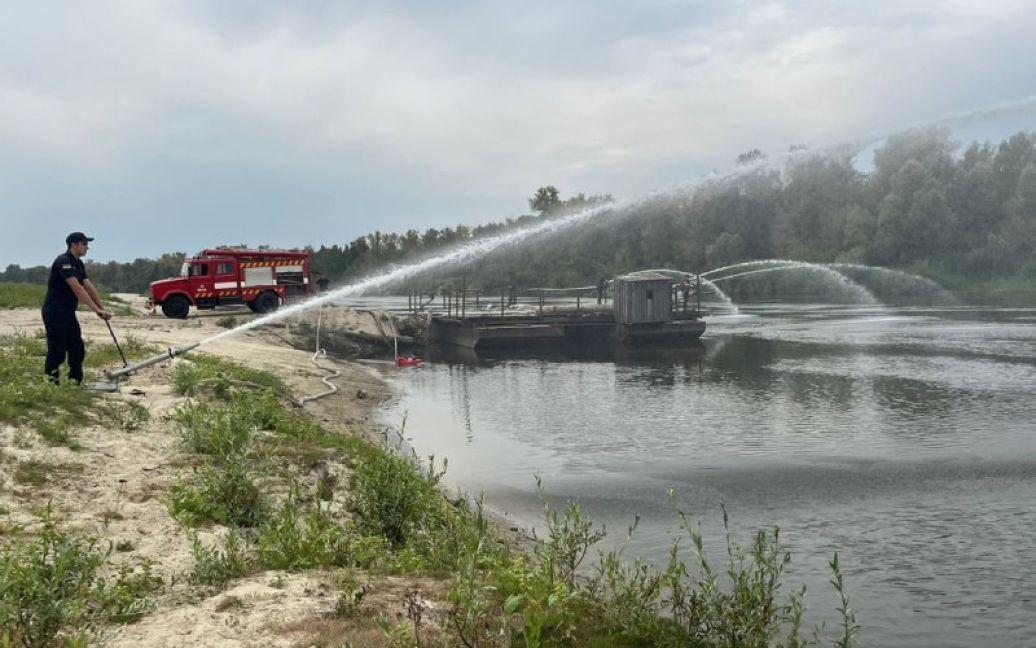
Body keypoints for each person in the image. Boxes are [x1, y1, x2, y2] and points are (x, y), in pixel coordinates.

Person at [41, 232, 112, 384]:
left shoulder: (78, 264)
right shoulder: (64, 261)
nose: (88, 247)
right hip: (54, 311)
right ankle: (51, 384)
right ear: (74, 244)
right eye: (84, 244)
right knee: (57, 351)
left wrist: (102, 308)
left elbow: (88, 286)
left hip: (68, 312)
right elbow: (77, 289)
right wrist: (95, 310)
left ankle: (75, 383)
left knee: (77, 349)